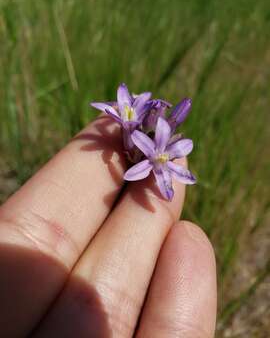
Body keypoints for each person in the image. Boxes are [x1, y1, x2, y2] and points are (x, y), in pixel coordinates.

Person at [0, 116, 217, 337]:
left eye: (165, 156)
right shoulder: (142, 155)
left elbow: (165, 172)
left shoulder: (155, 162)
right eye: (160, 155)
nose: (162, 158)